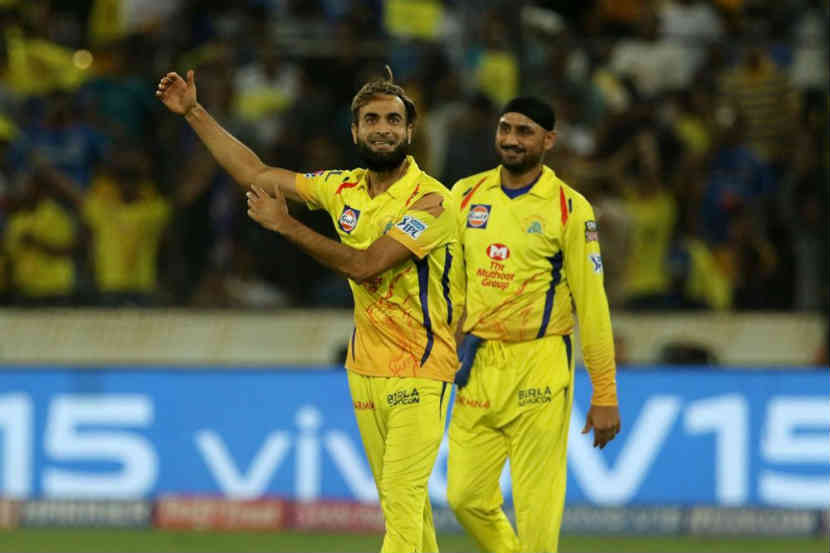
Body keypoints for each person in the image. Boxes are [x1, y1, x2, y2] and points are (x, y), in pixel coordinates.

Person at [156, 67, 465, 553]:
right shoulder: (342, 189)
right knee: (403, 508)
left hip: (422, 370)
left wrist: (287, 226)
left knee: (402, 502)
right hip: (365, 369)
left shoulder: (432, 201)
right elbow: (256, 174)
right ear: (355, 131)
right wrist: (194, 111)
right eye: (371, 120)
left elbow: (366, 266)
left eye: (393, 120)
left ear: (410, 131)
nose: (382, 129)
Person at [447, 97, 621, 552]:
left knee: (537, 512)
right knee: (464, 498)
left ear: (549, 141)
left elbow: (592, 305)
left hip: (539, 361)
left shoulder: (569, 208)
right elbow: (453, 287)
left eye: (524, 132)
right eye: (505, 128)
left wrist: (604, 392)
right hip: (479, 362)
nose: (511, 139)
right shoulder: (465, 195)